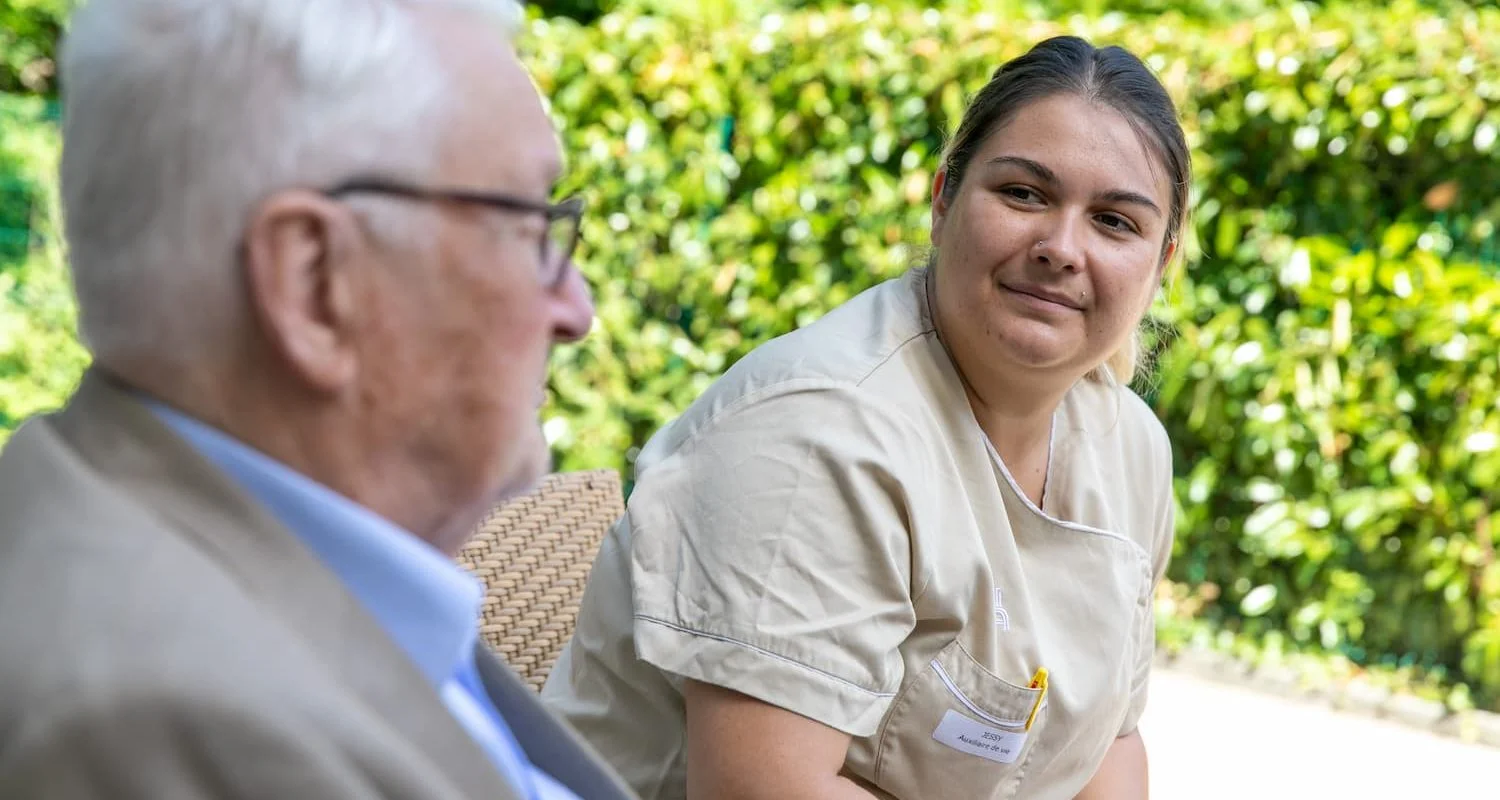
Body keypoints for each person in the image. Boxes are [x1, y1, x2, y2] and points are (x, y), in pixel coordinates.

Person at [0, 1, 634, 798]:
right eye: (531, 227)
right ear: (315, 283)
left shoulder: (251, 565)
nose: (576, 310)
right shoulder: (175, 718)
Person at [541, 35, 1190, 800]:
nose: (1061, 247)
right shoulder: (817, 432)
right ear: (943, 200)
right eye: (1023, 194)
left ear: (1161, 262)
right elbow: (761, 789)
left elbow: (1110, 747)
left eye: (1114, 221)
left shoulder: (1130, 449)